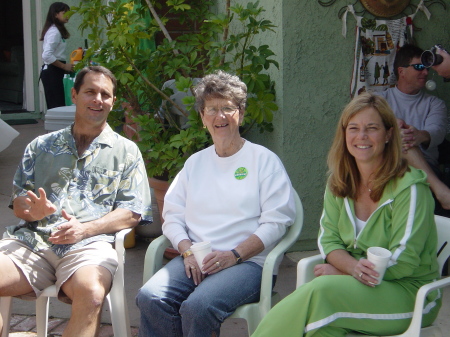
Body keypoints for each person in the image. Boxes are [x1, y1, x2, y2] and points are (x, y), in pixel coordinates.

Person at [251, 93, 441, 337]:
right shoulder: (339, 182)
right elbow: (328, 241)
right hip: (358, 287)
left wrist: (346, 272)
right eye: (354, 128)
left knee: (321, 291)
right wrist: (352, 269)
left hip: (410, 296)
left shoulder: (411, 188)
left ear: (388, 134)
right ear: (344, 134)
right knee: (319, 328)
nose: (361, 136)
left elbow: (402, 262)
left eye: (371, 128)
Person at [136, 70, 296, 337]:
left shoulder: (263, 161)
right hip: (196, 259)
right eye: (211, 109)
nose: (219, 117)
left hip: (247, 263)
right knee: (151, 297)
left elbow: (277, 222)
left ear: (241, 114)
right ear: (202, 118)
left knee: (198, 306)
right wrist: (187, 251)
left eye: (228, 108)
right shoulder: (195, 164)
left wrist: (233, 255)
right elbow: (173, 215)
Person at [0, 66, 152, 337]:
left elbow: (132, 212)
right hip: (33, 242)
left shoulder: (126, 152)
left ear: (113, 101)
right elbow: (20, 202)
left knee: (92, 294)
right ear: (74, 95)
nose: (98, 100)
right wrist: (33, 212)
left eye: (105, 94)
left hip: (89, 247)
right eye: (90, 92)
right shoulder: (41, 146)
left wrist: (86, 229)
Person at [377, 44, 450, 211]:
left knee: (404, 139)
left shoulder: (435, 103)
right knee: (399, 136)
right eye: (418, 67)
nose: (425, 72)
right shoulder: (380, 100)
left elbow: (438, 130)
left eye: (426, 68)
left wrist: (420, 136)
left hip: (424, 171)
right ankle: (442, 193)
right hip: (388, 165)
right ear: (401, 71)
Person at [40, 2, 75, 109]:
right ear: (55, 14)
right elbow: (46, 55)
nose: (68, 15)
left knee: (59, 105)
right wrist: (64, 66)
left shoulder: (57, 31)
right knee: (56, 107)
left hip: (56, 71)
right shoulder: (54, 32)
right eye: (64, 12)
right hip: (52, 72)